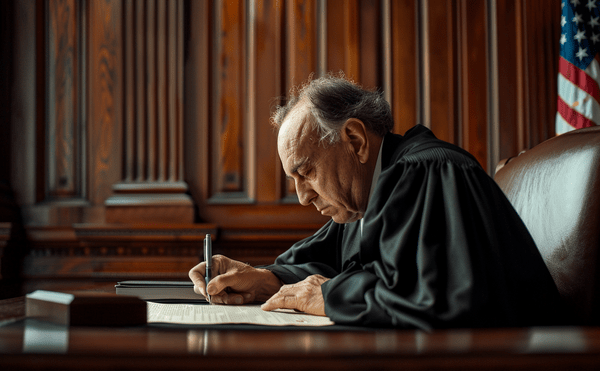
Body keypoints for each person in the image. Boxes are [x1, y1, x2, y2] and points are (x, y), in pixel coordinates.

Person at [189, 75, 567, 329]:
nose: (303, 196)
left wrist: (328, 296)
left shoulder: (428, 173)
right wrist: (264, 280)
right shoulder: (364, 199)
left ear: (355, 140)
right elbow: (328, 259)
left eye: (306, 173)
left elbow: (438, 300)